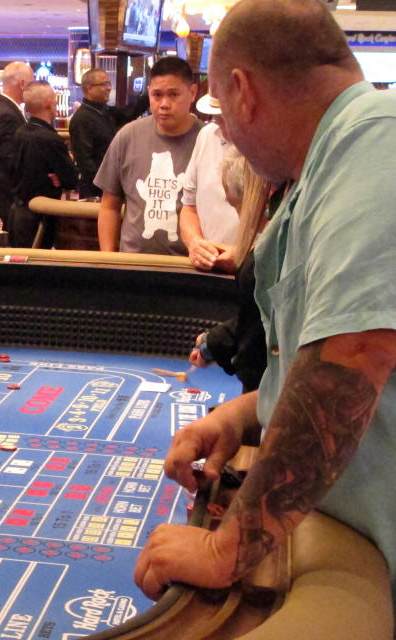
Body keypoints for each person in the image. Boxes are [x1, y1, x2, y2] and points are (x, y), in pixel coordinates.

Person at [134, 0, 396, 615]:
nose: (224, 131)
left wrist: (229, 550)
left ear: (243, 91)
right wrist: (246, 415)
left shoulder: (375, 142)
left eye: (221, 111)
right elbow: (330, 347)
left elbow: (360, 353)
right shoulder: (327, 164)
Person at [94, 56, 201, 256]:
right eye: (157, 95)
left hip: (188, 265)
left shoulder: (207, 140)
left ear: (192, 92)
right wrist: (107, 259)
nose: (164, 104)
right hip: (134, 263)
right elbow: (109, 206)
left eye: (174, 94)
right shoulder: (128, 135)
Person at [188, 149, 275, 393]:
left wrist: (213, 343)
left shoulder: (267, 255)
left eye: (235, 204)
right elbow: (255, 316)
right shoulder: (263, 250)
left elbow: (260, 327)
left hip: (266, 388)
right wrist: (212, 344)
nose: (239, 214)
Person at [6, 80, 78, 248]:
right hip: (39, 217)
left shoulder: (20, 132)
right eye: (54, 98)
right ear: (48, 103)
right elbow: (71, 179)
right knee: (35, 268)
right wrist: (57, 178)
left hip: (17, 211)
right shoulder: (50, 139)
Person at [178, 93, 240, 272]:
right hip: (208, 270)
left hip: (257, 274)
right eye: (217, 116)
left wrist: (248, 254)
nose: (220, 123)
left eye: (227, 116)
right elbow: (189, 208)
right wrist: (195, 243)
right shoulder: (206, 135)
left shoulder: (274, 144)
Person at [67, 69, 149, 201]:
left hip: (110, 184)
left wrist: (150, 95)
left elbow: (129, 112)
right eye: (104, 84)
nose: (109, 88)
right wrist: (104, 187)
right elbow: (85, 162)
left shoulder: (104, 111)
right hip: (95, 190)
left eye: (109, 83)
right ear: (89, 88)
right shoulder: (82, 118)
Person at [0, 61, 34, 228]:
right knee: (15, 239)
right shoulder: (7, 114)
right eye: (31, 82)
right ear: (22, 84)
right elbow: (10, 158)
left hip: (8, 187)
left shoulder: (7, 108)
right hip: (9, 189)